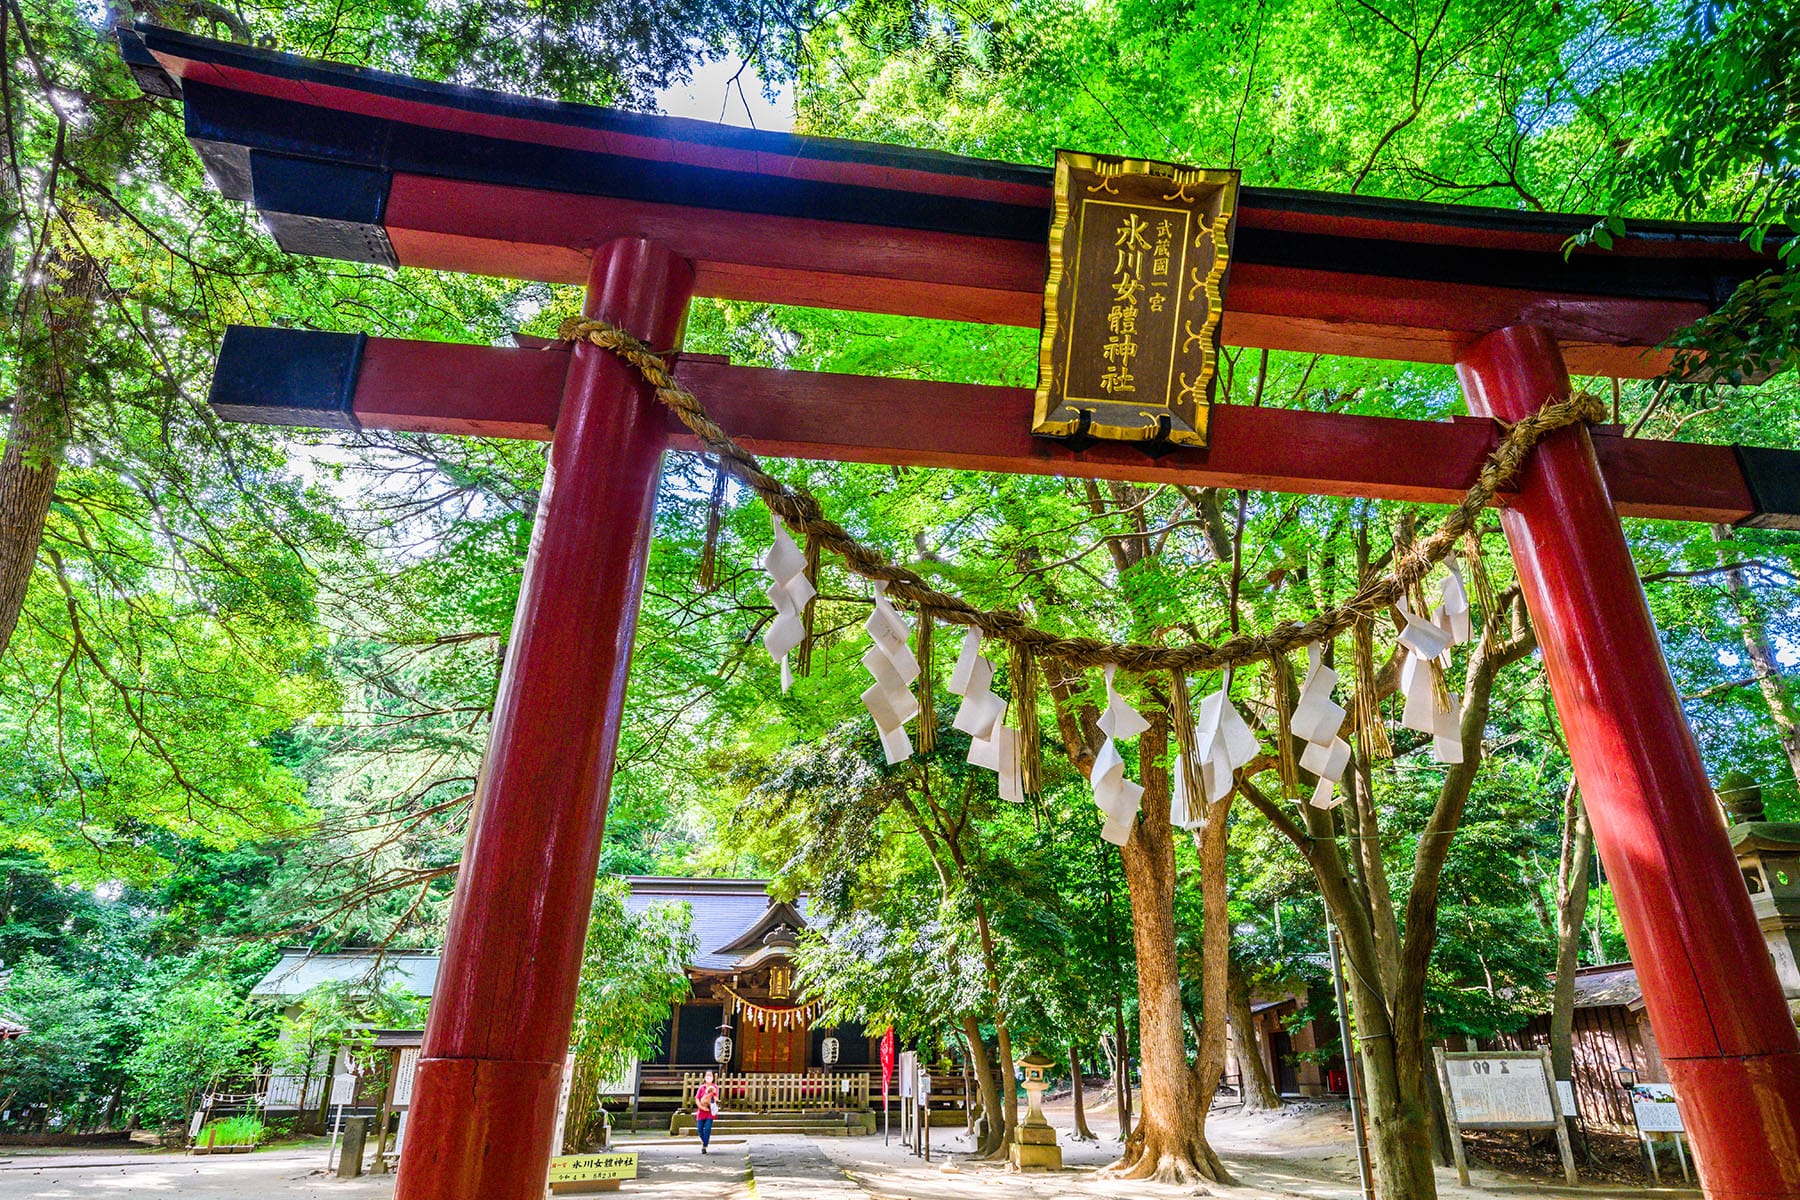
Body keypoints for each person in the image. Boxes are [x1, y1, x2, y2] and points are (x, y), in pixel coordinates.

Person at [695, 1070, 720, 1153]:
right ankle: (704, 1141)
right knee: (699, 1129)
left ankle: (704, 1146)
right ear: (705, 1078)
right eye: (707, 1075)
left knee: (708, 1128)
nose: (709, 1077)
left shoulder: (715, 1087)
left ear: (713, 1078)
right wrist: (701, 1107)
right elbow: (697, 1098)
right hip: (701, 1110)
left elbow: (716, 1097)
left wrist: (715, 1098)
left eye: (710, 1075)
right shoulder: (701, 1088)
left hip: (710, 1110)